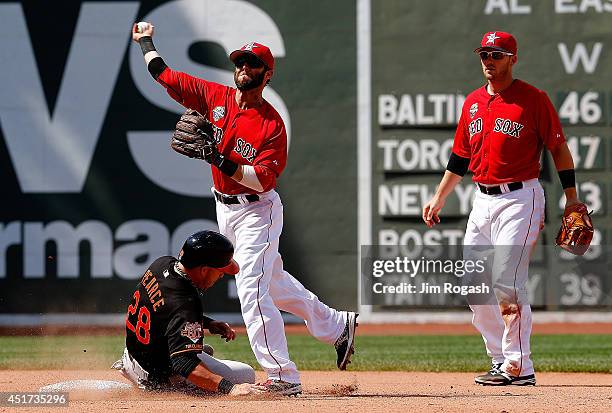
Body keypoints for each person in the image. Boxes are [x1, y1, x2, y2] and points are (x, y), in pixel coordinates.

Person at [131, 22, 357, 396]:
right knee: (271, 281)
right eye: (240, 61)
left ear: (267, 74)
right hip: (226, 208)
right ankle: (337, 325)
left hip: (258, 211)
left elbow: (263, 180)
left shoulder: (271, 125)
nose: (243, 68)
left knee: (250, 286)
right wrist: (146, 42)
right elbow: (166, 75)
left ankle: (283, 374)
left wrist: (217, 157)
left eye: (252, 64)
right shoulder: (215, 97)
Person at [422, 31, 582, 386]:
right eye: (485, 54)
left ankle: (519, 365)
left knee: (506, 282)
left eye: (497, 54)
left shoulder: (533, 100)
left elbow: (558, 149)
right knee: (473, 285)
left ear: (513, 58)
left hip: (519, 198)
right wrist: (440, 196)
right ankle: (499, 358)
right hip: (482, 200)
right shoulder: (473, 103)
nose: (489, 60)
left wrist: (571, 197)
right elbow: (460, 157)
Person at [112, 230, 263, 396]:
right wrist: (231, 388)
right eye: (220, 270)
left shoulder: (162, 264)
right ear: (204, 270)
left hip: (135, 353)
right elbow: (183, 364)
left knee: (195, 347)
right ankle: (165, 383)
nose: (221, 275)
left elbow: (163, 310)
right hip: (153, 376)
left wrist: (207, 323)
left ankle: (180, 350)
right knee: (245, 374)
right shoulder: (185, 303)